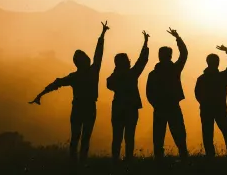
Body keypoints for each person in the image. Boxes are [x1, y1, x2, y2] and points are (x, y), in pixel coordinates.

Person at [29, 21, 109, 164]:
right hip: (89, 107)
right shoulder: (93, 71)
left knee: (75, 138)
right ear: (85, 60)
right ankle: (81, 164)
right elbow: (99, 54)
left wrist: (40, 95)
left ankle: (73, 164)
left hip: (78, 107)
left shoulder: (75, 77)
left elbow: (56, 83)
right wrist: (102, 35)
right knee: (84, 138)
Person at [107, 30, 150, 162]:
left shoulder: (114, 77)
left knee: (117, 136)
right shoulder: (132, 74)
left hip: (118, 108)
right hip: (131, 108)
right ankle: (129, 159)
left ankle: (115, 159)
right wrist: (146, 43)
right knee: (129, 136)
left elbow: (109, 84)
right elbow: (142, 60)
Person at [146, 28, 189, 159]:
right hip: (171, 106)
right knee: (178, 134)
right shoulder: (174, 69)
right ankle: (183, 157)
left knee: (159, 136)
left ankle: (159, 159)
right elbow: (184, 54)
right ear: (170, 56)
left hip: (160, 107)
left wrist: (155, 104)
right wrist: (178, 37)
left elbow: (149, 93)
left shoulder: (154, 73)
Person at [194, 45, 227, 158]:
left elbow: (197, 94)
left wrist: (204, 103)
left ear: (207, 62)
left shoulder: (202, 79)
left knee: (207, 134)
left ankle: (210, 156)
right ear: (218, 63)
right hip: (220, 109)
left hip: (206, 110)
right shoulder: (222, 77)